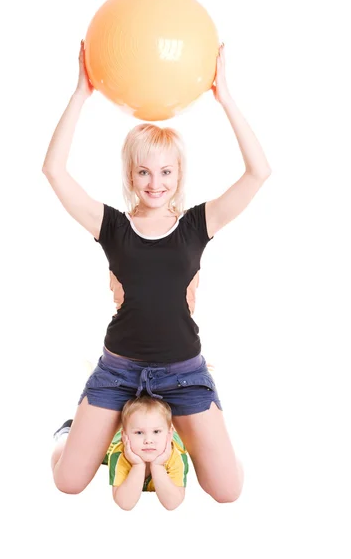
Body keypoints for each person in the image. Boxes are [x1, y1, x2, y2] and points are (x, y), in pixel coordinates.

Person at [43, 39, 271, 503]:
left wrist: (224, 96)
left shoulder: (195, 226)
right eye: (145, 173)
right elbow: (54, 170)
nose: (155, 183)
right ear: (131, 176)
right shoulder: (112, 226)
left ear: (178, 175)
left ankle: (178, 439)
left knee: (228, 490)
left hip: (183, 374)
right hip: (119, 371)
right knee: (67, 482)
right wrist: (80, 94)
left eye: (166, 173)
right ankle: (87, 433)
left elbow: (258, 173)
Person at [54, 394, 189, 510]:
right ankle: (67, 431)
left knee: (178, 429)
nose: (148, 440)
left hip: (168, 436)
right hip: (118, 439)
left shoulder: (176, 455)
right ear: (126, 437)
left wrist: (158, 466)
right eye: (139, 433)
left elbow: (173, 504)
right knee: (79, 451)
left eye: (156, 432)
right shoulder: (120, 454)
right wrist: (137, 465)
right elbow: (125, 503)